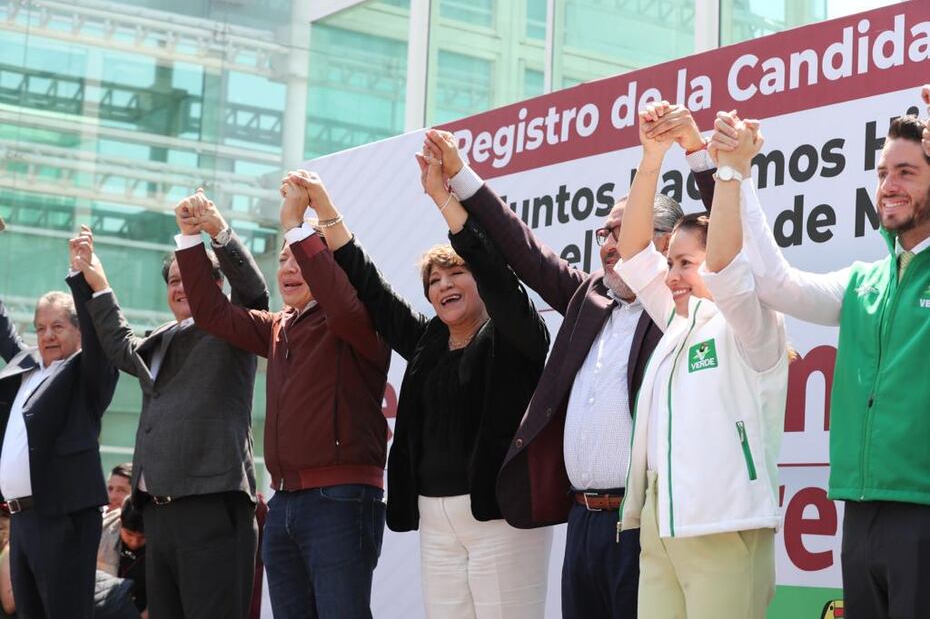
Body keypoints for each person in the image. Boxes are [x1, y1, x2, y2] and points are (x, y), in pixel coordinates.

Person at [420, 117, 710, 617]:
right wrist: (461, 177)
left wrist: (697, 151)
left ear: (665, 241)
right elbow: (522, 248)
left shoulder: (682, 308)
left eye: (622, 230)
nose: (608, 245)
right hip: (583, 522)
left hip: (645, 524)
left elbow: (731, 238)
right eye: (604, 232)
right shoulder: (587, 297)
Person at [285, 148, 553, 616]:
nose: (444, 284)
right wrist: (325, 213)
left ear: (481, 283)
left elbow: (495, 268)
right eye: (434, 280)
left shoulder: (516, 334)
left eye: (457, 273)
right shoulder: (429, 341)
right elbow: (372, 289)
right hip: (435, 515)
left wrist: (441, 197)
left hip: (501, 515)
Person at [710, 88, 930, 619]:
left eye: (906, 172)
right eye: (882, 173)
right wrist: (738, 175)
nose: (888, 186)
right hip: (859, 509)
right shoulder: (862, 282)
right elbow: (775, 282)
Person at [174, 176, 391, 619]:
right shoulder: (279, 326)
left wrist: (297, 226)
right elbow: (212, 312)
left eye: (301, 259)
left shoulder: (358, 317)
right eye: (285, 260)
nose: (290, 268)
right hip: (285, 502)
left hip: (341, 499)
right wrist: (194, 238)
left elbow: (343, 303)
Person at [612, 102, 787, 618]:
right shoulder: (677, 323)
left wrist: (707, 158)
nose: (670, 275)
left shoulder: (751, 324)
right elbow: (631, 253)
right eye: (671, 262)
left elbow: (733, 263)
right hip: (662, 527)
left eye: (685, 263)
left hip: (723, 525)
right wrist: (651, 159)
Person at [71, 196, 265, 619]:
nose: (180, 287)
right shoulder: (160, 339)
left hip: (212, 508)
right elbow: (121, 345)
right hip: (160, 513)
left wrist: (216, 232)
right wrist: (98, 283)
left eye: (189, 278)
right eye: (172, 281)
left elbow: (253, 291)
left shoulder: (233, 325)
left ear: (213, 286)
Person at [0, 259, 118, 617]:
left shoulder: (85, 374)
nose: (47, 336)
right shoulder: (28, 367)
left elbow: (101, 342)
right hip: (21, 520)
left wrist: (82, 281)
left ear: (79, 332)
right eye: (40, 328)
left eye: (57, 326)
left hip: (63, 518)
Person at [98, 497, 146, 615]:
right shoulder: (102, 536)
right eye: (129, 534)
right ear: (120, 522)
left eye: (142, 537)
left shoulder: (160, 546)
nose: (134, 542)